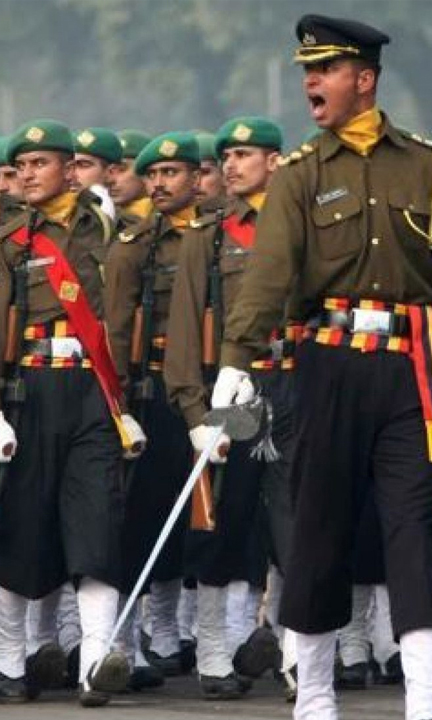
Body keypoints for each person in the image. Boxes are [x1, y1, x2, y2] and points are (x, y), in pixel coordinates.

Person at [206, 13, 432, 720]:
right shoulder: (300, 174)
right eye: (307, 71)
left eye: (324, 70)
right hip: (327, 365)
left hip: (413, 370)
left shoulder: (430, 167)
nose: (311, 82)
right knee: (319, 526)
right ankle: (315, 691)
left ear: (364, 79)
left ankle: (425, 694)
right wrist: (237, 358)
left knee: (414, 525)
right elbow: (270, 272)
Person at [0, 118, 145, 707]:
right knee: (20, 526)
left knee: (97, 524)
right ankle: (9, 661)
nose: (28, 174)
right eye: (22, 166)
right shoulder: (11, 239)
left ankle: (95, 661)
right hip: (28, 390)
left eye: (41, 164)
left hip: (94, 390)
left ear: (68, 169)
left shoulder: (111, 229)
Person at [165, 115, 287, 700]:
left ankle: (291, 646)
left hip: (292, 386)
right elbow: (186, 333)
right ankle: (214, 650)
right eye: (227, 156)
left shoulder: (299, 226)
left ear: (275, 162)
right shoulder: (208, 235)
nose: (232, 166)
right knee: (222, 521)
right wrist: (195, 415)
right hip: (230, 391)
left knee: (297, 519)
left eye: (245, 155)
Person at [104, 131, 200, 680]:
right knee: (144, 513)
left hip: (213, 387)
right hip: (154, 388)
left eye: (172, 173)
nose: (160, 183)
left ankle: (171, 629)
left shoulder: (215, 235)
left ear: (196, 177)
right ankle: (129, 637)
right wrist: (117, 403)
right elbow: (117, 328)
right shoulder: (135, 244)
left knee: (204, 514)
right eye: (153, 175)